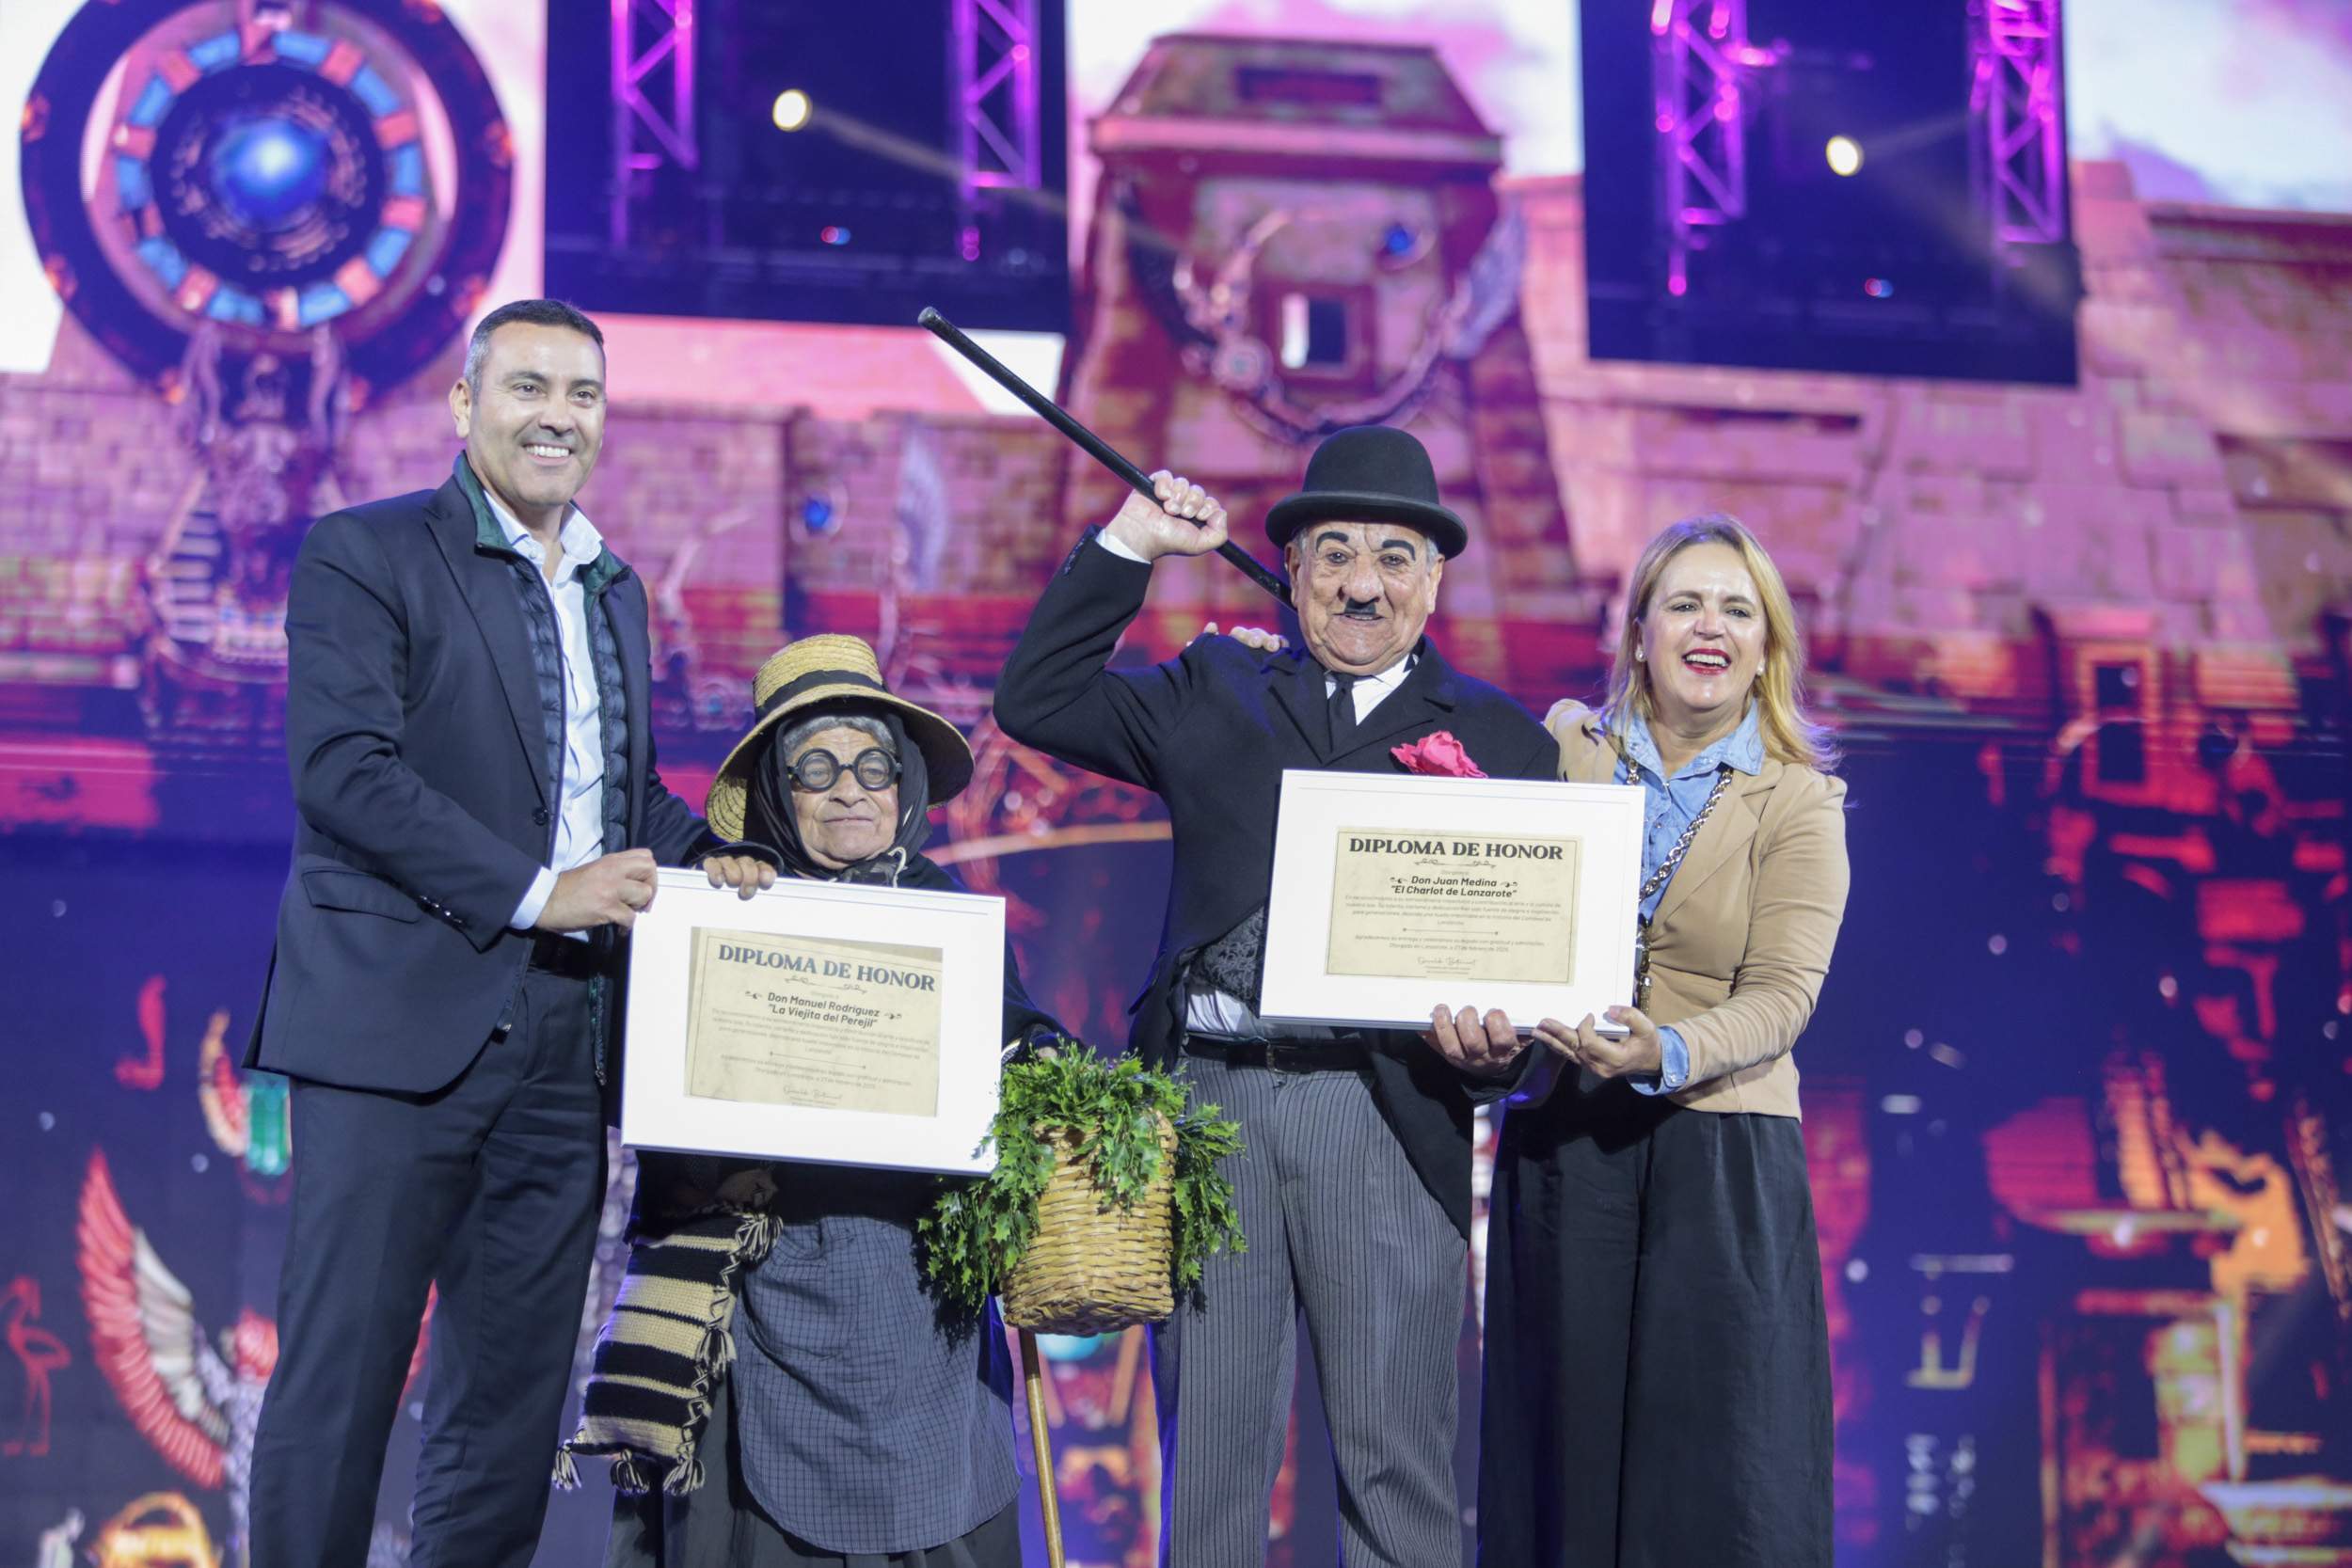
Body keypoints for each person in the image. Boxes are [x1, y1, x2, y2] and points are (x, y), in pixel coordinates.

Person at [245, 298, 763, 1568]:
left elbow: (616, 796)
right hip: (393, 1025)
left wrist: (718, 857)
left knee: (510, 1400)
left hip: (563, 1040)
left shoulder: (613, 586)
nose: (557, 416)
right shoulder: (366, 551)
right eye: (528, 386)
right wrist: (543, 889)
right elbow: (345, 770)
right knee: (342, 1378)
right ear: (464, 403)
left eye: (582, 394)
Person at [993, 425, 1548, 1567]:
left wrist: (1503, 1055)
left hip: (1383, 1110)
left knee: (1393, 1456)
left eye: (1393, 557)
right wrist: (1133, 541)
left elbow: (1533, 964)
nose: (1361, 582)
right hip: (1212, 1105)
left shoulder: (1501, 738)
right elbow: (1036, 699)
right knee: (1211, 1454)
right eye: (1333, 552)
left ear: (1434, 580)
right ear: (1290, 571)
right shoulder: (1216, 684)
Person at [583, 633, 1058, 1568]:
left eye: (873, 764)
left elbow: (1019, 1043)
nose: (850, 789)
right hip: (764, 1296)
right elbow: (653, 1082)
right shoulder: (725, 907)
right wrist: (706, 918)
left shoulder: (949, 914)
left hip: (920, 1305)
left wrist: (1043, 1065)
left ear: (904, 783)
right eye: (816, 767)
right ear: (777, 790)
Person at [1477, 513, 1851, 1567]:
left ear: (1766, 647)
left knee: (1712, 1476)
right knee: (1565, 1460)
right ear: (1637, 631)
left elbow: (1782, 997)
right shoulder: (1564, 752)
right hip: (1565, 1142)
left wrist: (1664, 1052)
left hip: (1720, 1152)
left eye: (1737, 609)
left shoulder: (1800, 800)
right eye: (1684, 603)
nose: (1709, 627)